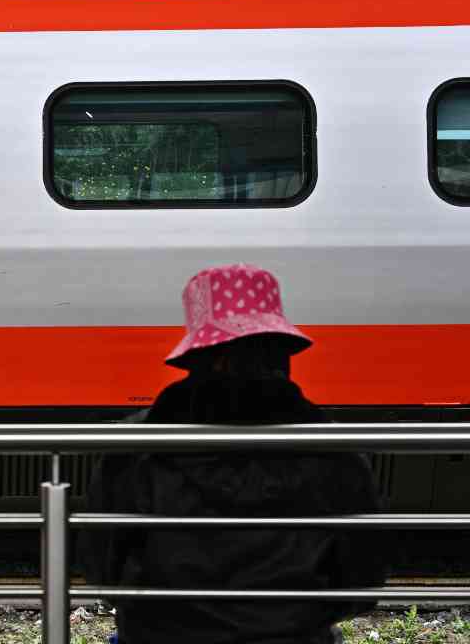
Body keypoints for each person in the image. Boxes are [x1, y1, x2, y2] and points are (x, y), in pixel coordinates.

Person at [80, 263, 386, 644]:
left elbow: (103, 569)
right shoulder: (332, 449)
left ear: (196, 358)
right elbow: (363, 580)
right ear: (281, 354)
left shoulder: (134, 446)